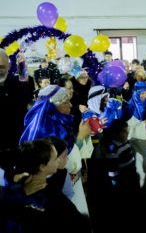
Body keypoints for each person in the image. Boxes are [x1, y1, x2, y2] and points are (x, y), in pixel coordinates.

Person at [19, 85, 92, 215]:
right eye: (65, 102)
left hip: (69, 182)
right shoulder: (47, 130)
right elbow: (65, 160)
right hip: (58, 190)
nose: (70, 105)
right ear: (51, 106)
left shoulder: (59, 123)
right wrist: (81, 136)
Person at [3, 139, 91, 233]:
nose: (58, 161)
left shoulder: (10, 192)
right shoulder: (55, 200)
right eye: (55, 158)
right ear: (42, 167)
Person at [0, 49, 33, 177]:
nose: (0, 70)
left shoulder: (17, 84)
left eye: (2, 66)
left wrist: (23, 69)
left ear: (8, 66)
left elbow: (27, 98)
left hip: (17, 149)